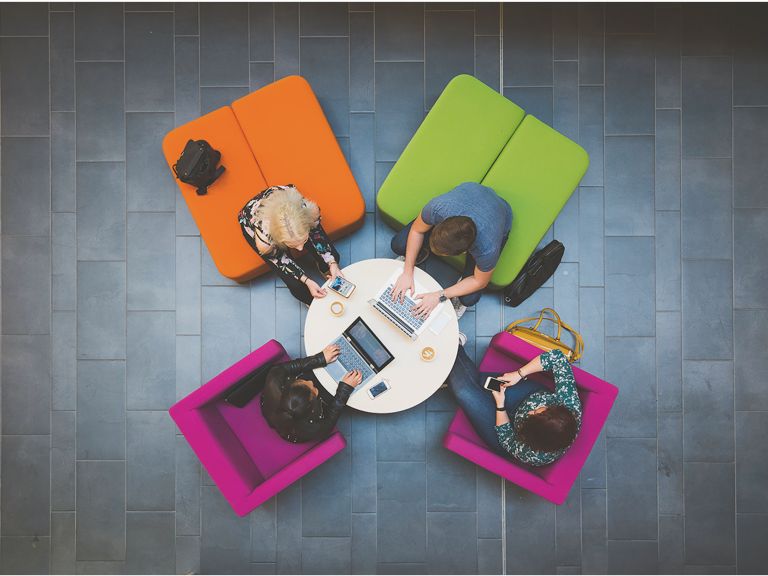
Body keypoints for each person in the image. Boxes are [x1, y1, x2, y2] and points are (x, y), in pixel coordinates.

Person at [390, 182, 512, 318]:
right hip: (473, 191)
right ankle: (419, 254)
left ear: (464, 252)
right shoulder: (437, 208)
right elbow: (417, 230)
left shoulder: (487, 249)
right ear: (440, 224)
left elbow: (479, 281)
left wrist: (439, 296)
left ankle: (461, 282)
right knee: (399, 245)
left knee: (468, 298)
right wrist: (407, 271)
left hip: (500, 211)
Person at [446, 345, 581, 466]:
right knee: (482, 382)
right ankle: (451, 358)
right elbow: (557, 358)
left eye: (533, 415)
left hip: (506, 432)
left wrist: (500, 405)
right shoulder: (569, 404)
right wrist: (519, 374)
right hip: (527, 395)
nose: (530, 412)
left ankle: (451, 348)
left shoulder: (533, 455)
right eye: (538, 410)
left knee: (463, 391)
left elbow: (506, 436)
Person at [239, 184, 343, 306]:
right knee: (297, 286)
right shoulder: (265, 241)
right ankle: (313, 302)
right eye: (292, 245)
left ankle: (326, 269)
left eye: (303, 241)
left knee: (333, 256)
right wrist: (307, 281)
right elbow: (280, 261)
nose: (300, 249)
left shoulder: (310, 211)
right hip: (255, 220)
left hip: (289, 206)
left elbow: (316, 234)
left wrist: (332, 263)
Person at [261, 343, 363, 443]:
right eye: (314, 388)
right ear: (313, 406)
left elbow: (282, 368)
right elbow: (329, 422)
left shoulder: (274, 380)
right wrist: (345, 388)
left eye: (302, 382)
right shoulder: (311, 428)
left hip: (272, 405)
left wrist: (320, 358)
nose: (311, 382)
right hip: (297, 428)